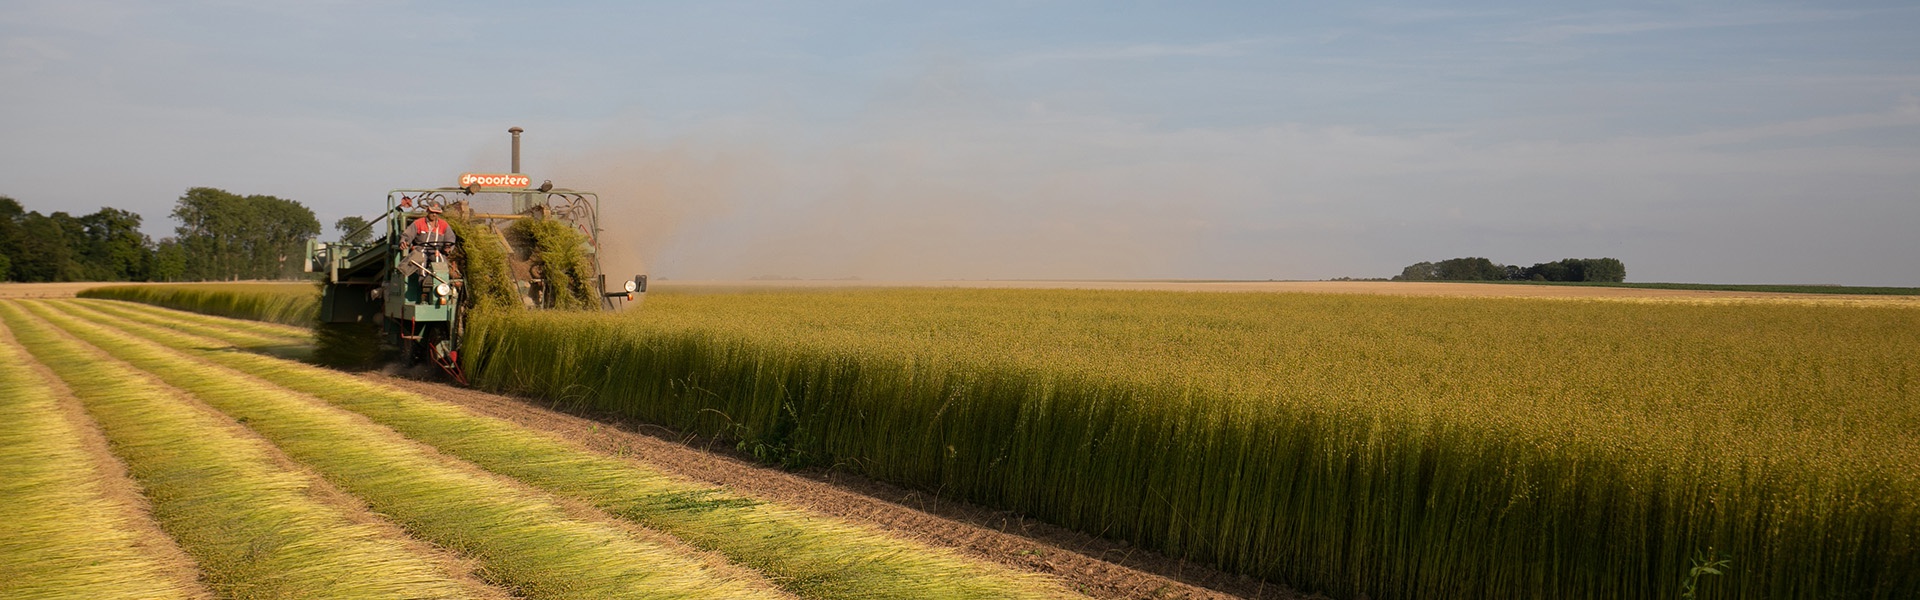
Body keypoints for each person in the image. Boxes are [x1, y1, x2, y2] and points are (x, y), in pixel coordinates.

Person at [399, 204, 457, 281]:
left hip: (436, 250)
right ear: (427, 211)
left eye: (436, 213)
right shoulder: (418, 223)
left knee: (441, 262)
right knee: (420, 260)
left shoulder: (444, 225)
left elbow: (450, 239)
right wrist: (404, 241)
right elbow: (408, 235)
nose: (434, 214)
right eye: (432, 212)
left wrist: (448, 247)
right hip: (420, 249)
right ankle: (422, 281)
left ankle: (442, 282)